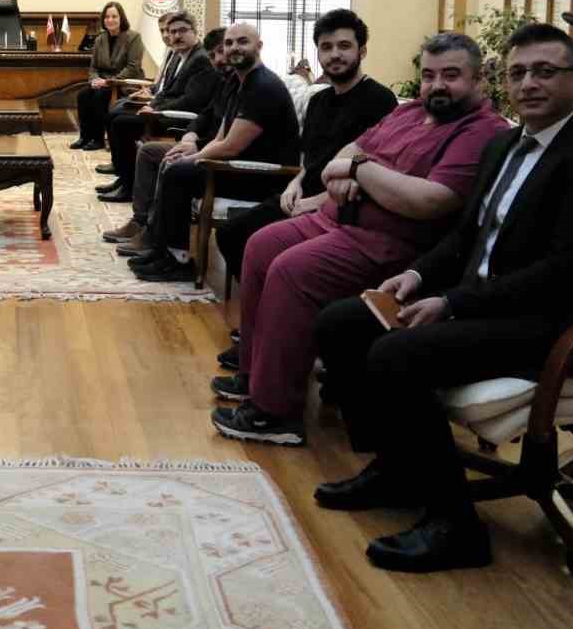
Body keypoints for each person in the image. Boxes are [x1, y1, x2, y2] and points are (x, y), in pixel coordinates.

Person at [311, 23, 573, 573]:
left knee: (397, 354)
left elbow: (566, 272)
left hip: (561, 321)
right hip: (493, 301)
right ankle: (397, 468)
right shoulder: (506, 144)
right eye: (518, 73)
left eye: (545, 72)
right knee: (341, 323)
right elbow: (466, 236)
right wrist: (416, 275)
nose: (529, 84)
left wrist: (456, 304)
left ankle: (457, 528)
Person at [212, 32, 508, 447]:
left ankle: (275, 412)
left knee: (292, 270)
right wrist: (359, 170)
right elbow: (344, 154)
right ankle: (255, 374)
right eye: (428, 75)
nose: (437, 85)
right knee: (260, 245)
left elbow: (428, 200)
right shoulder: (410, 111)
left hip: (387, 242)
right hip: (335, 220)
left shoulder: (481, 131)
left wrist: (359, 171)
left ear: (478, 80)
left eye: (451, 75)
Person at [208, 9, 398, 371]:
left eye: (344, 46)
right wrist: (295, 184)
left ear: (362, 50)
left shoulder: (380, 101)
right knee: (232, 234)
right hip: (300, 196)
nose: (335, 55)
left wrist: (316, 201)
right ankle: (263, 327)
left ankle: (279, 334)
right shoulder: (319, 100)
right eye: (326, 47)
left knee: (266, 247)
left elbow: (370, 174)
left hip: (339, 207)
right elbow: (310, 161)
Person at [130, 22, 301, 284]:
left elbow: (231, 146)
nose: (234, 48)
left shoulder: (262, 86)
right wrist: (191, 155)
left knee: (179, 173)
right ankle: (163, 250)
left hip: (262, 177)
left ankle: (179, 261)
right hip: (235, 166)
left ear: (259, 46)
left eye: (242, 42)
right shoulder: (237, 81)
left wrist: (192, 159)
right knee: (175, 165)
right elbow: (221, 136)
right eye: (229, 43)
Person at [102, 27, 229, 236]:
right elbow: (206, 114)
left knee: (172, 164)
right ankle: (141, 222)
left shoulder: (253, 87)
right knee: (147, 148)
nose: (219, 60)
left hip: (223, 162)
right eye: (214, 55)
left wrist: (194, 150)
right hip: (197, 137)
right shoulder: (230, 81)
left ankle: (166, 244)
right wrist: (190, 137)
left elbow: (227, 140)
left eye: (222, 51)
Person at [95, 10, 219, 199]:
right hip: (163, 110)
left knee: (121, 124)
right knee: (114, 116)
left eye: (182, 30)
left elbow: (191, 101)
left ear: (195, 32)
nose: (176, 36)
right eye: (172, 31)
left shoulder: (200, 59)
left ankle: (129, 186)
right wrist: (153, 103)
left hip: (178, 119)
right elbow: (166, 90)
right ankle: (124, 178)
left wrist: (155, 109)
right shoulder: (178, 55)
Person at [70, 0, 145, 151]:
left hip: (124, 83)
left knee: (100, 96)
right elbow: (93, 67)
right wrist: (94, 80)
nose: (110, 20)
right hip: (102, 83)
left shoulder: (133, 37)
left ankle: (98, 139)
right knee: (83, 95)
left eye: (114, 16)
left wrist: (109, 82)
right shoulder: (100, 39)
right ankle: (85, 137)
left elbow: (133, 67)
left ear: (121, 18)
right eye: (107, 17)